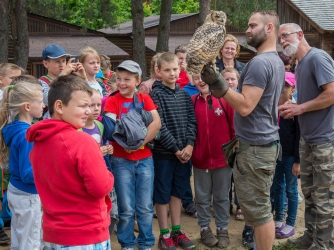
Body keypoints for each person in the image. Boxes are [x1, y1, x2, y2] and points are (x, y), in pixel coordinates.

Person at [201, 11, 284, 250]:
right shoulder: (274, 60)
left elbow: (246, 106)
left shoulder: (259, 63)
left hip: (257, 149)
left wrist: (218, 84)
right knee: (258, 210)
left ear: (269, 28)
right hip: (261, 145)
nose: (247, 30)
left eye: (252, 25)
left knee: (259, 213)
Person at [26, 75, 114, 249]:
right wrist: (109, 174)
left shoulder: (39, 143)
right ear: (59, 106)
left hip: (53, 233)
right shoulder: (82, 142)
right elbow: (100, 187)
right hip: (86, 233)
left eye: (89, 105)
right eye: (82, 106)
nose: (89, 111)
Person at [278, 23, 334, 250]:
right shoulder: (300, 65)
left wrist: (299, 109)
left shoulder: (317, 57)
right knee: (309, 193)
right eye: (279, 38)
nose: (282, 41)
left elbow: (331, 93)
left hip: (325, 140)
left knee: (325, 197)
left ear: (300, 35)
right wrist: (295, 104)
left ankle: (324, 244)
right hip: (308, 139)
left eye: (286, 35)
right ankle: (311, 236)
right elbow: (312, 99)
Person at [103, 60, 161, 250]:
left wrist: (138, 144)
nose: (121, 83)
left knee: (145, 207)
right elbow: (111, 130)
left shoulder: (145, 99)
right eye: (119, 79)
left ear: (138, 81)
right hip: (120, 160)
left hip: (144, 159)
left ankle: (146, 242)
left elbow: (156, 124)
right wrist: (128, 141)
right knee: (126, 208)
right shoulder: (112, 100)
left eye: (127, 79)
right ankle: (127, 242)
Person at [150, 52, 197, 250]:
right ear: (158, 71)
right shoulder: (155, 94)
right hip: (164, 155)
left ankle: (177, 230)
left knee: (177, 192)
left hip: (183, 155)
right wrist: (176, 149)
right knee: (162, 193)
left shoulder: (185, 94)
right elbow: (158, 126)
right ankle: (165, 233)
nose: (172, 73)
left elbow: (191, 122)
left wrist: (189, 145)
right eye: (167, 70)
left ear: (181, 69)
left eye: (175, 69)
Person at [191, 73, 235, 248]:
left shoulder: (225, 100)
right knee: (201, 197)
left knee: (222, 196)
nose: (201, 81)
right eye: (196, 77)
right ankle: (204, 229)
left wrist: (232, 154)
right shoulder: (191, 101)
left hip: (222, 159)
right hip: (200, 159)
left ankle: (222, 228)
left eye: (204, 77)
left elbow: (234, 128)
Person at [0, 81, 43, 249]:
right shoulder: (27, 135)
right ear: (27, 106)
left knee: (20, 239)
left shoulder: (14, 128)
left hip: (16, 190)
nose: (43, 105)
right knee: (31, 242)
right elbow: (28, 174)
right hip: (28, 195)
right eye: (39, 102)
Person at [80, 89, 117, 235]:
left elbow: (103, 145)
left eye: (98, 105)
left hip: (102, 172)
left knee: (111, 209)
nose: (95, 109)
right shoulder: (78, 129)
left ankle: (105, 235)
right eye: (91, 105)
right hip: (88, 178)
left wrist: (108, 149)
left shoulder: (100, 125)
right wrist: (97, 152)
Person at [273, 72, 300, 239]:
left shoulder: (296, 110)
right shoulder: (272, 107)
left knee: (291, 189)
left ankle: (290, 223)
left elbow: (299, 137)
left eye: (286, 86)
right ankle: (279, 219)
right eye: (280, 85)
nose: (282, 89)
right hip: (275, 154)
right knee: (277, 187)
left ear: (293, 89)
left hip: (290, 156)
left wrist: (298, 161)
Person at [39, 44, 85, 119]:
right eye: (57, 62)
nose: (62, 65)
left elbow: (84, 98)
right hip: (51, 122)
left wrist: (83, 79)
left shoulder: (69, 81)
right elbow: (48, 100)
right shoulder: (41, 82)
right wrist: (62, 75)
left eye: (64, 61)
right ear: (46, 64)